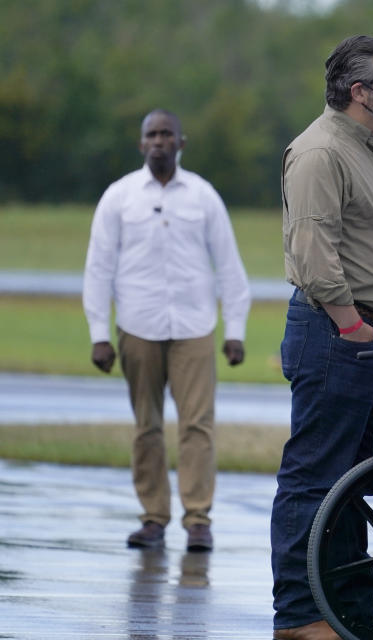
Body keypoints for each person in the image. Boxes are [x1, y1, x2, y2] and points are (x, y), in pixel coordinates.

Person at [270, 35, 373, 640]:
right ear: (360, 92)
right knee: (314, 477)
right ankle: (301, 617)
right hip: (337, 329)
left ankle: (351, 615)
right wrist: (352, 326)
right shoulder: (320, 152)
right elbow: (313, 251)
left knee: (357, 483)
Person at [82, 108, 251, 552]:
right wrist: (99, 333)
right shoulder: (119, 197)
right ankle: (153, 518)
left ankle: (198, 520)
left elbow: (230, 267)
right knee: (147, 426)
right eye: (151, 135)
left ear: (181, 142)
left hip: (194, 327)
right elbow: (98, 269)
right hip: (137, 325)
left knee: (198, 425)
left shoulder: (203, 196)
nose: (158, 141)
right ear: (141, 145)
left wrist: (235, 330)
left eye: (166, 134)